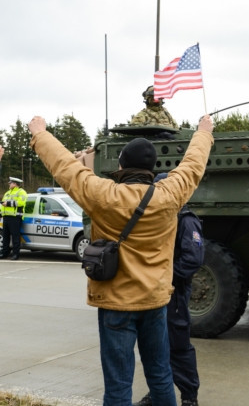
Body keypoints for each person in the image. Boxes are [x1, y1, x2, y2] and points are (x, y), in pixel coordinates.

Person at [28, 114, 214, 406]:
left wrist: (40, 134)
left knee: (118, 385)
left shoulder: (104, 195)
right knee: (161, 376)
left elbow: (65, 167)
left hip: (115, 304)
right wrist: (204, 132)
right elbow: (193, 164)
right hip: (155, 303)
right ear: (153, 168)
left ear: (122, 166)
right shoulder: (170, 194)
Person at [135, 174, 205, 406]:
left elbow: (192, 259)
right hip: (155, 292)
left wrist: (165, 275)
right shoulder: (159, 217)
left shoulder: (185, 219)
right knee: (155, 347)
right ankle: (157, 392)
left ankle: (189, 397)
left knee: (178, 347)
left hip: (174, 294)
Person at [1, 176, 27, 260]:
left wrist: (7, 203)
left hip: (15, 218)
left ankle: (16, 254)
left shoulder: (21, 192)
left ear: (15, 184)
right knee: (5, 237)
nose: (9, 184)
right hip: (6, 218)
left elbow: (21, 202)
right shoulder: (7, 193)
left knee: (15, 237)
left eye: (10, 183)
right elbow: (3, 205)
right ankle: (5, 253)